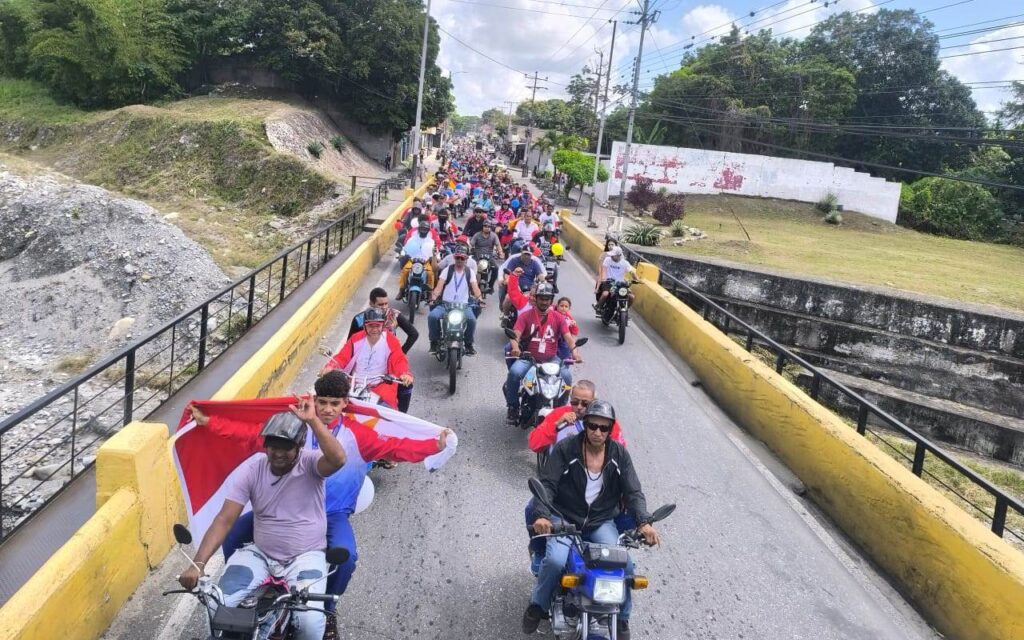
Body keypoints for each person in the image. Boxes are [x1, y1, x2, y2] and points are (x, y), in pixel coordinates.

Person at [208, 374, 452, 640]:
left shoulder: (359, 435)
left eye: (334, 403)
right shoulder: (295, 427)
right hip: (285, 510)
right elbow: (250, 437)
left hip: (333, 514)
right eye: (322, 402)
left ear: (345, 403)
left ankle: (327, 609)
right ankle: (248, 591)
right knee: (232, 535)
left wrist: (433, 445)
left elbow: (395, 448)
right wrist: (211, 422)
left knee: (346, 557)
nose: (326, 409)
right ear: (314, 400)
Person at [177, 406, 347, 640]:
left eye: (286, 447)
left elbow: (338, 459)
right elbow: (224, 519)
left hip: (305, 555)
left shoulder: (311, 463)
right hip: (261, 554)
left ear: (299, 447)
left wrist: (313, 421)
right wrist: (198, 564)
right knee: (218, 605)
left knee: (309, 623)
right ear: (265, 445)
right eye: (273, 446)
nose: (278, 453)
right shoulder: (253, 469)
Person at [523, 401, 660, 640]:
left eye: (604, 428)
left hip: (599, 521)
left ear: (610, 430)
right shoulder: (567, 448)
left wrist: (643, 522)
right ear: (585, 425)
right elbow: (548, 484)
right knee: (555, 560)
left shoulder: (619, 454)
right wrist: (543, 515)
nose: (598, 432)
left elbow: (633, 491)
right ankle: (538, 605)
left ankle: (622, 618)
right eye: (593, 426)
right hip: (564, 518)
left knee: (625, 565)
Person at [505, 283, 581, 421]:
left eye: (547, 298)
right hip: (529, 359)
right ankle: (513, 406)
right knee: (514, 373)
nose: (544, 301)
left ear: (551, 300)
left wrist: (575, 352)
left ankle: (560, 410)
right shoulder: (525, 316)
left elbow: (568, 338)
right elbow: (515, 335)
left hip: (552, 359)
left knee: (567, 378)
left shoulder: (558, 318)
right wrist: (515, 348)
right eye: (542, 298)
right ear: (536, 298)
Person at [321, 307, 413, 410]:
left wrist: (404, 373)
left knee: (387, 414)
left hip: (380, 386)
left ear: (383, 325)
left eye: (377, 325)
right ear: (365, 326)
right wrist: (331, 366)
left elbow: (399, 360)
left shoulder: (391, 340)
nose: (374, 329)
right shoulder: (355, 338)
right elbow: (342, 356)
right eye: (370, 326)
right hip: (353, 385)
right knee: (331, 407)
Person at [348, 288, 418, 412]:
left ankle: (400, 417)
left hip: (389, 362)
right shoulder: (358, 319)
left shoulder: (394, 314)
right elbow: (350, 347)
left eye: (386, 303)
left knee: (406, 384)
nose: (385, 307)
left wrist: (399, 353)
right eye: (380, 305)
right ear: (371, 304)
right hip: (363, 364)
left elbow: (413, 334)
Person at [527, 381, 625, 453]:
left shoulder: (605, 419)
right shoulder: (558, 413)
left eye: (585, 403)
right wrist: (556, 424)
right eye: (575, 402)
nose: (579, 407)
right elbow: (534, 444)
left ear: (594, 401)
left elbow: (620, 450)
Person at [428, 244, 483, 355]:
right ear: (454, 258)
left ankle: (468, 345)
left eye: (462, 258)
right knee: (432, 316)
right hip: (446, 305)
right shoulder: (447, 270)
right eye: (457, 257)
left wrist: (480, 299)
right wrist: (433, 298)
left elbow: (475, 288)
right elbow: (439, 286)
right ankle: (434, 342)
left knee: (472, 320)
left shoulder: (469, 272)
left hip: (463, 306)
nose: (459, 260)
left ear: (466, 259)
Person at [398, 219, 436, 300]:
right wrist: (403, 254)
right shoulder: (412, 238)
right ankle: (401, 290)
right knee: (405, 271)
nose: (423, 230)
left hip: (425, 262)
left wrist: (436, 256)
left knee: (430, 273)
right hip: (412, 261)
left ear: (428, 230)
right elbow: (405, 248)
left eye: (425, 229)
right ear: (419, 229)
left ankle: (430, 292)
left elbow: (435, 251)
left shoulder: (431, 241)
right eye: (422, 228)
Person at [595, 246, 638, 311]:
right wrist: (604, 279)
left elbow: (632, 272)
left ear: (619, 255)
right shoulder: (607, 260)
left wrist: (636, 279)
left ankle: (625, 311)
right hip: (608, 282)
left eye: (613, 255)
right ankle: (598, 306)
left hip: (620, 284)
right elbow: (604, 270)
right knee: (605, 294)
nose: (611, 256)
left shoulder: (625, 263)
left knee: (631, 297)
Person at [554, 297, 578, 361]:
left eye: (566, 306)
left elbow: (575, 332)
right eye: (561, 306)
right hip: (553, 337)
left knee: (567, 345)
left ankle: (567, 358)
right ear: (557, 306)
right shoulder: (553, 314)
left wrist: (573, 325)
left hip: (563, 339)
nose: (563, 308)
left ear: (569, 308)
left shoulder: (568, 318)